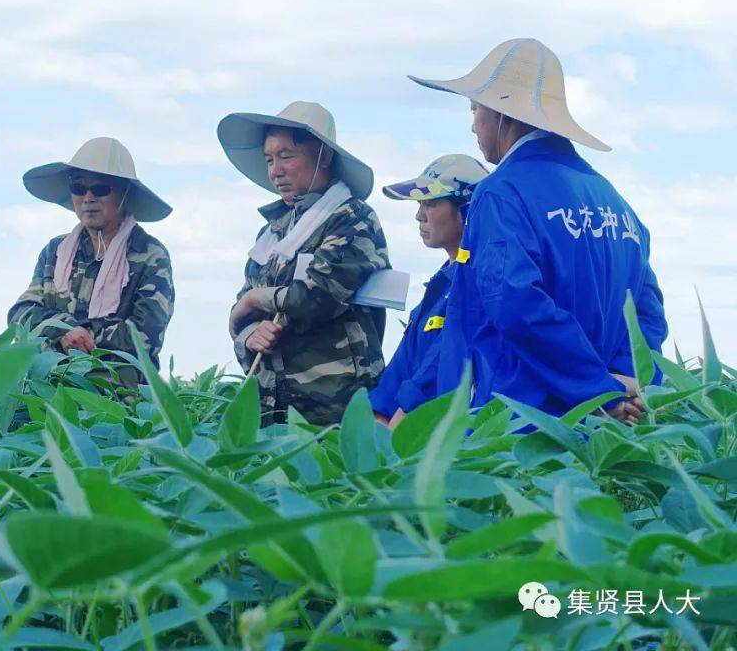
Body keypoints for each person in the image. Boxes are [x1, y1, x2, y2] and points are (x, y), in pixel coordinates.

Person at [408, 38, 667, 424]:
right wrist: (623, 384)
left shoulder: (501, 192)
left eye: (476, 109)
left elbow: (514, 302)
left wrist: (594, 390)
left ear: (501, 115)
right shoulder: (616, 203)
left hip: (522, 425)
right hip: (605, 424)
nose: (472, 124)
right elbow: (646, 310)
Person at [220, 101, 389, 425]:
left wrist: (255, 300)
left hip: (335, 412)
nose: (275, 170)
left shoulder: (352, 218)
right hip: (272, 410)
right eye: (269, 160)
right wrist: (250, 333)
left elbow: (317, 296)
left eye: (286, 156)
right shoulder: (272, 232)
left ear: (323, 156)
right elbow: (240, 311)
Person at [8, 137, 174, 387]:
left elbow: (143, 336)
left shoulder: (150, 255)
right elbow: (21, 313)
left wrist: (73, 334)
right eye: (78, 187)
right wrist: (64, 329)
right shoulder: (55, 250)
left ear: (124, 193)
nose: (87, 197)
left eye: (100, 189)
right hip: (49, 388)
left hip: (119, 396)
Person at [368, 154, 488, 429]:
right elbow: (402, 366)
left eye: (431, 203)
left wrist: (405, 412)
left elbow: (443, 361)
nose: (419, 215)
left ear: (467, 210)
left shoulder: (480, 283)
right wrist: (379, 413)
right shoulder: (440, 285)